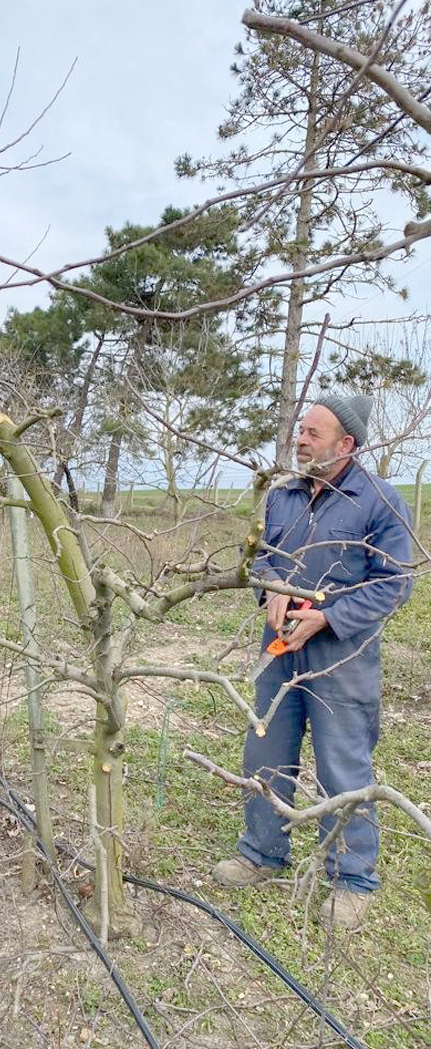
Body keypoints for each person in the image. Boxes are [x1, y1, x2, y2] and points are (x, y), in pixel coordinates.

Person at [212, 395, 413, 930]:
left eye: (313, 433)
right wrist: (270, 587)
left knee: (342, 764)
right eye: (300, 430)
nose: (300, 440)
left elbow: (396, 584)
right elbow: (264, 555)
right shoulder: (284, 496)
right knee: (265, 749)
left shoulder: (380, 501)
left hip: (340, 656)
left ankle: (351, 879)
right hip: (278, 649)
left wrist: (329, 618)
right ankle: (261, 853)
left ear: (345, 445)